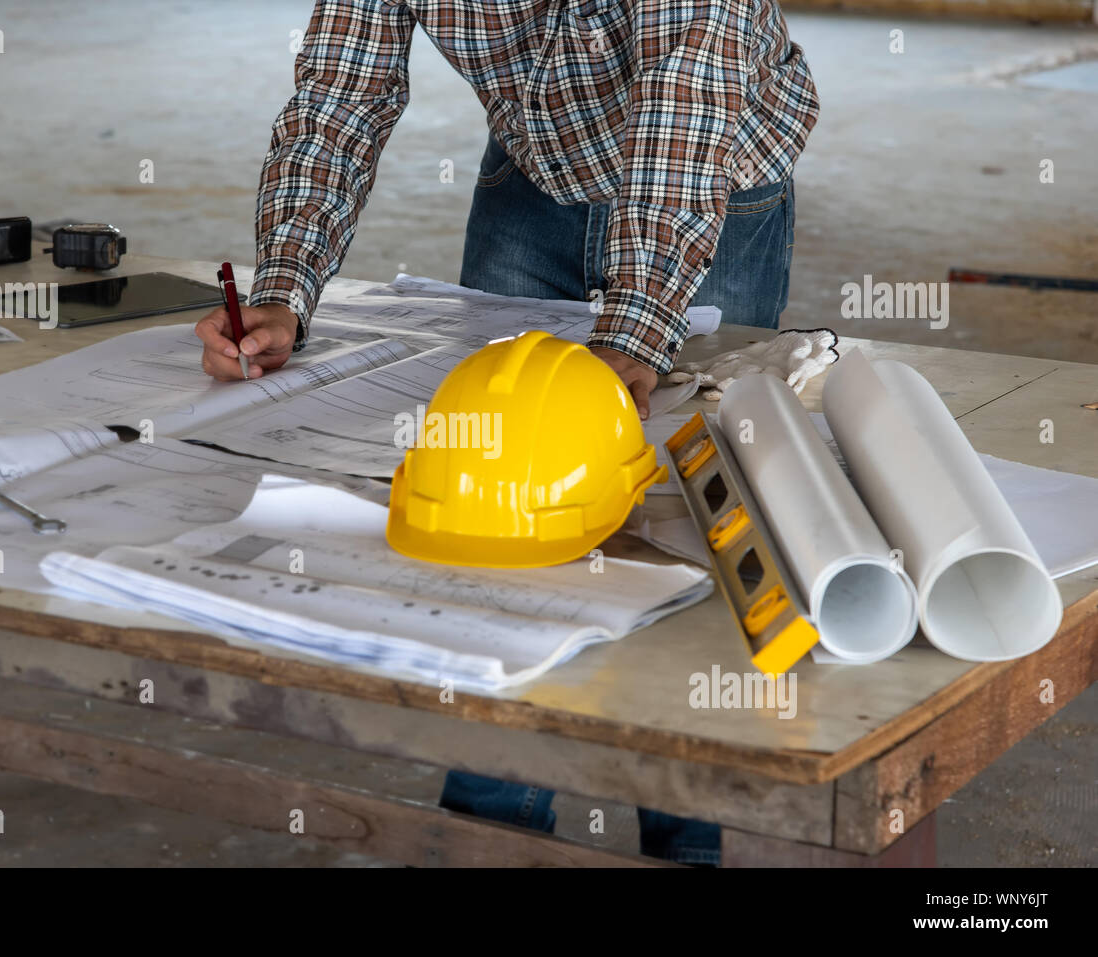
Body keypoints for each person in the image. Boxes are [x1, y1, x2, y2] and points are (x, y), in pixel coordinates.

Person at [196, 1, 818, 863]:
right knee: (494, 482)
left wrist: (635, 331)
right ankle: (489, 817)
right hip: (539, 176)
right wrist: (284, 288)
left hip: (712, 171)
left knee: (679, 501)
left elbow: (685, 93)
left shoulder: (694, 124)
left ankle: (686, 832)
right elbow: (342, 91)